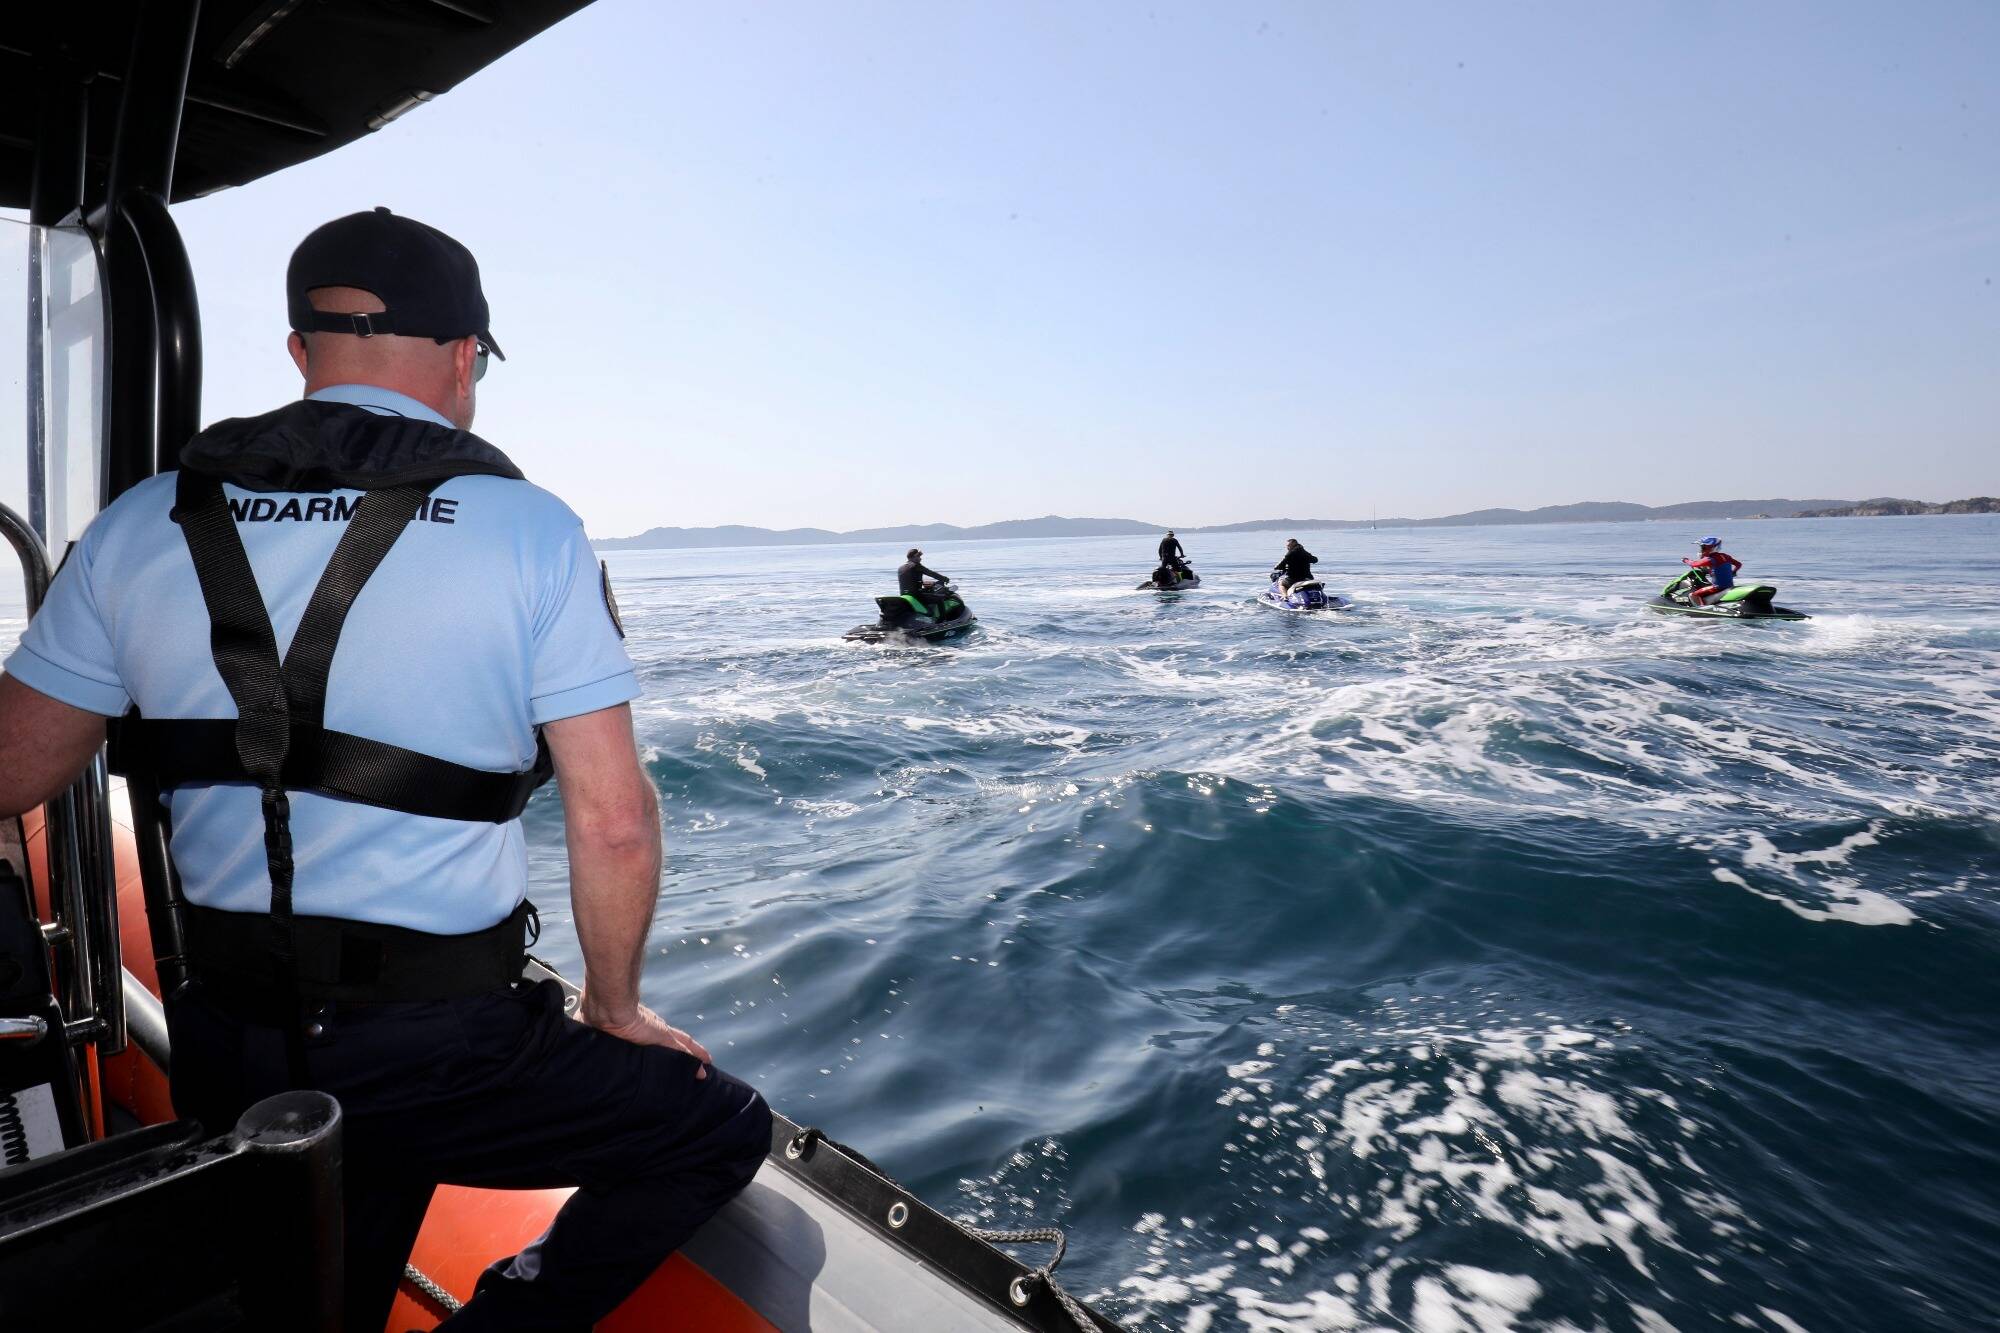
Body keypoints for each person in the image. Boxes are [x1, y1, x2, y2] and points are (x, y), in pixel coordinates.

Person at [0, 208, 770, 1332]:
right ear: (464, 355)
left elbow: (17, 765)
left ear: (301, 349)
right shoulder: (527, 531)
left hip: (233, 1041)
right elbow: (613, 821)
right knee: (715, 1130)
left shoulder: (140, 522)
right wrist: (614, 1007)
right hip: (446, 1048)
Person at [1682, 536, 1743, 605]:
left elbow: (1694, 564)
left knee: (1693, 595)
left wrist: (1686, 560)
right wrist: (1733, 572)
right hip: (1729, 586)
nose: (1702, 550)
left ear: (1711, 548)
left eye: (1703, 547)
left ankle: (1702, 610)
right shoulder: (1725, 556)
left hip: (1718, 588)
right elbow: (1739, 564)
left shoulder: (1710, 559)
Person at [898, 547, 952, 611]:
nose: (920, 559)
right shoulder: (916, 566)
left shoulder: (900, 568)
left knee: (926, 592)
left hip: (904, 594)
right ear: (913, 557)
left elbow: (909, 581)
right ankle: (942, 619)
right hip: (916, 595)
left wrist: (925, 583)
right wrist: (945, 579)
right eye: (918, 556)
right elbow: (931, 573)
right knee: (939, 600)